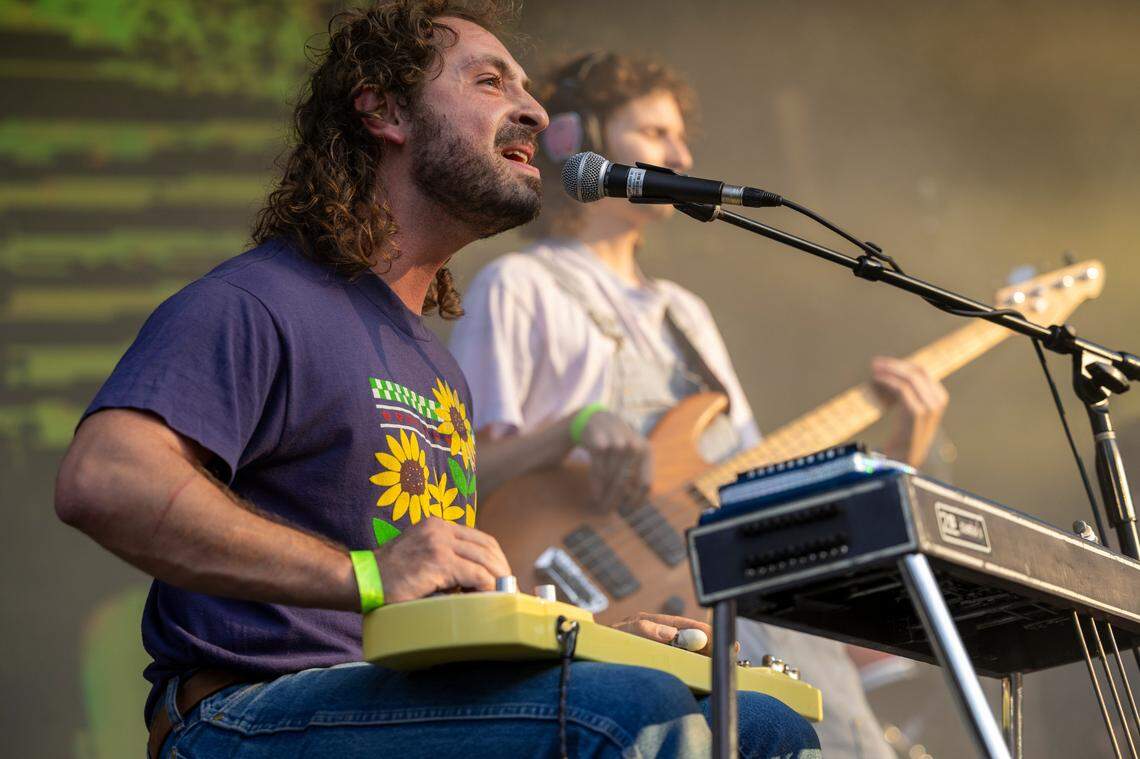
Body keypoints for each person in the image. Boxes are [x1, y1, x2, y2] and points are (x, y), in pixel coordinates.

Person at [53, 4, 818, 758]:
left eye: (528, 89)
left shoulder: (436, 366)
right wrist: (366, 573)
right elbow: (105, 478)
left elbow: (439, 603)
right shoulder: (261, 299)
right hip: (243, 716)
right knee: (637, 713)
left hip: (403, 702)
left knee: (759, 723)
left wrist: (595, 644)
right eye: (490, 82)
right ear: (385, 111)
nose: (533, 110)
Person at [450, 51, 949, 758]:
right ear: (579, 137)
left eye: (680, 138)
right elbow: (456, 479)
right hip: (590, 621)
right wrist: (574, 429)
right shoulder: (518, 285)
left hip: (727, 615)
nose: (681, 156)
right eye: (655, 133)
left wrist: (899, 455)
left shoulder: (685, 313)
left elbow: (755, 494)